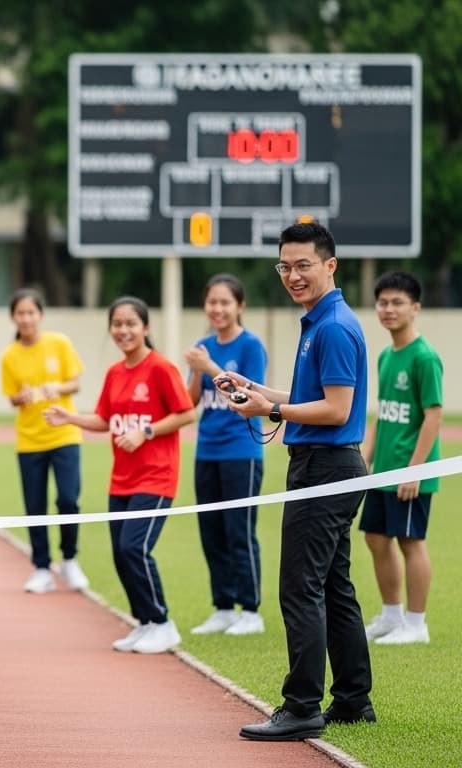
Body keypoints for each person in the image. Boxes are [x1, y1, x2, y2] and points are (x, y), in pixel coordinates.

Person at [223, 222, 373, 740]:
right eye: (284, 266)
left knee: (301, 586)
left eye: (303, 264)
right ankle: (352, 699)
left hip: (325, 466)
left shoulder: (332, 326)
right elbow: (313, 398)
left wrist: (272, 409)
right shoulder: (322, 321)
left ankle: (302, 706)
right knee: (333, 585)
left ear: (330, 265)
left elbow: (336, 409)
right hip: (326, 465)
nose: (293, 275)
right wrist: (257, 391)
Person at [45, 296, 195, 655]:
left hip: (156, 477)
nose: (123, 330)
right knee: (120, 553)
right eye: (117, 324)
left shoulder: (161, 368)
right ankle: (145, 623)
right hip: (122, 479)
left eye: (131, 324)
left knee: (134, 548)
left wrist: (146, 431)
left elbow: (187, 414)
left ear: (146, 327)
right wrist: (70, 418)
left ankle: (163, 623)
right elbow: (104, 419)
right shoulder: (115, 372)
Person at [182, 274, 268, 637]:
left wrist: (210, 368)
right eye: (212, 302)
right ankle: (223, 607)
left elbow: (246, 398)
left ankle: (250, 610)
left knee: (239, 531)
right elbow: (190, 402)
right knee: (212, 531)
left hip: (241, 451)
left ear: (240, 306)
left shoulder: (251, 346)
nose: (217, 309)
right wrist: (196, 370)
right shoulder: (202, 347)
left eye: (225, 302)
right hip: (207, 450)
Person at [359, 270, 441, 646]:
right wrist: (366, 457)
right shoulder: (385, 356)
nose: (388, 309)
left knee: (410, 541)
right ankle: (392, 616)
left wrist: (415, 470)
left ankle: (416, 623)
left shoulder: (424, 357)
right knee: (376, 538)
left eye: (397, 303)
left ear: (415, 308)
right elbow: (383, 411)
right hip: (384, 469)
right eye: (383, 303)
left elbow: (433, 415)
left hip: (411, 471)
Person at [0, 288, 88, 593]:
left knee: (68, 499)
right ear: (13, 317)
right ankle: (41, 567)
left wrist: (57, 388)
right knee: (35, 505)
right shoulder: (9, 355)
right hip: (30, 440)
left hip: (64, 433)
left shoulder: (59, 343)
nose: (26, 319)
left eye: (31, 312)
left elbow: (75, 383)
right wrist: (21, 397)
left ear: (41, 315)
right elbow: (11, 398)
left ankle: (70, 559)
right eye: (20, 313)